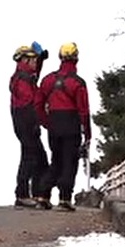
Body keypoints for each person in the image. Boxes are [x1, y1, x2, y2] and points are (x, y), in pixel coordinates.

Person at [33, 42, 92, 212]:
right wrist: (87, 134)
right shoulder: (78, 83)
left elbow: (38, 104)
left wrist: (46, 122)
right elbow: (84, 111)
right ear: (76, 59)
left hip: (54, 124)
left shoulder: (48, 80)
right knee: (69, 161)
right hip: (71, 124)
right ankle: (65, 198)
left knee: (56, 160)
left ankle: (43, 195)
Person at [9, 42, 50, 209]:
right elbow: (29, 102)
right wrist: (36, 121)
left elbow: (36, 73)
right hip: (26, 120)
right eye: (32, 59)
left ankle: (36, 194)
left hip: (25, 121)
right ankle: (23, 195)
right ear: (25, 60)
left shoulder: (25, 75)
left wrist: (41, 59)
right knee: (30, 157)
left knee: (37, 157)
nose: (35, 62)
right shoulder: (23, 79)